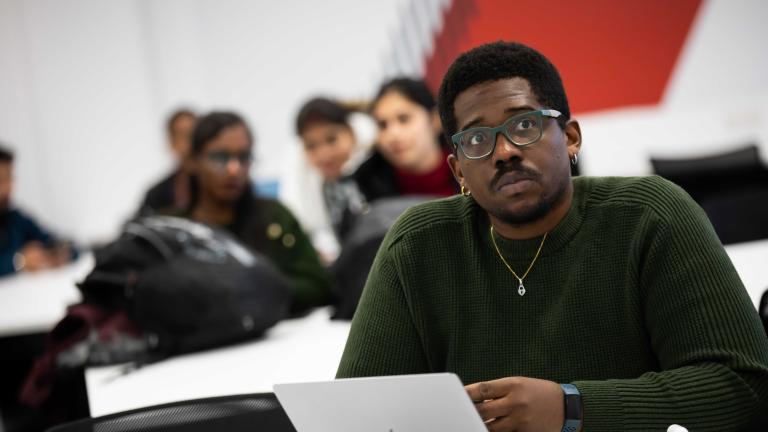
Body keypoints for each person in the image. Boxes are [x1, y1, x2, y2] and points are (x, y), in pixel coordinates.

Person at [336, 41, 768, 431]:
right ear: (459, 170)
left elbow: (744, 386)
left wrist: (572, 409)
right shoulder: (416, 247)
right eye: (477, 138)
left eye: (524, 125)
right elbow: (356, 416)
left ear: (571, 137)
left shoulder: (648, 215)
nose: (504, 151)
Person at [184, 111, 332, 314]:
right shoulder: (174, 230)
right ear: (193, 161)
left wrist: (265, 288)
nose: (234, 169)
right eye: (220, 157)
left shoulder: (276, 217)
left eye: (243, 157)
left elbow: (318, 285)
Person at [353, 77, 458, 202]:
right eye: (382, 125)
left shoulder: (472, 164)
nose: (392, 134)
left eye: (404, 119)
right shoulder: (364, 190)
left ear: (434, 120)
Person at [290, 97, 369, 260]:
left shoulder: (377, 170)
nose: (324, 155)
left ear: (352, 133)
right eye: (311, 146)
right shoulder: (317, 186)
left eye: (331, 139)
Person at [0, 145, 74, 276]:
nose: (9, 186)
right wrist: (18, 261)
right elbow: (18, 261)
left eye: (10, 177)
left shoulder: (15, 219)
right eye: (1, 180)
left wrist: (59, 252)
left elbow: (55, 240)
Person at [139, 108, 197, 215]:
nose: (191, 143)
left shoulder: (220, 184)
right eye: (183, 136)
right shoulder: (157, 194)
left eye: (195, 135)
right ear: (171, 142)